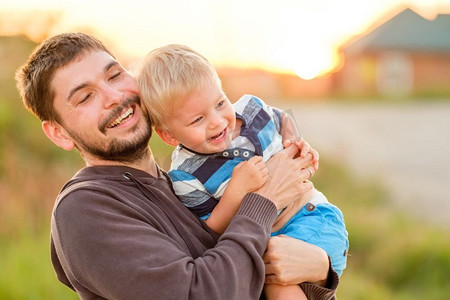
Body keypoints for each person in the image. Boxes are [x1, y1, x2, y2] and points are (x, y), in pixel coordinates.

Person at [16, 32, 339, 300]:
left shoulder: (180, 183)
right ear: (58, 133)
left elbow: (250, 272)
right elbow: (199, 293)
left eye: (115, 75)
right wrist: (264, 201)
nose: (113, 96)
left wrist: (320, 268)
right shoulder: (85, 208)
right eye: (85, 97)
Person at [136, 44, 348, 299]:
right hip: (268, 246)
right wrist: (236, 191)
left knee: (279, 287)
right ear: (168, 135)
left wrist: (298, 144)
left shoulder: (251, 109)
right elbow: (208, 231)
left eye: (219, 103)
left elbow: (281, 119)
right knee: (273, 281)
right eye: (197, 119)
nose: (216, 121)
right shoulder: (186, 175)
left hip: (313, 217)